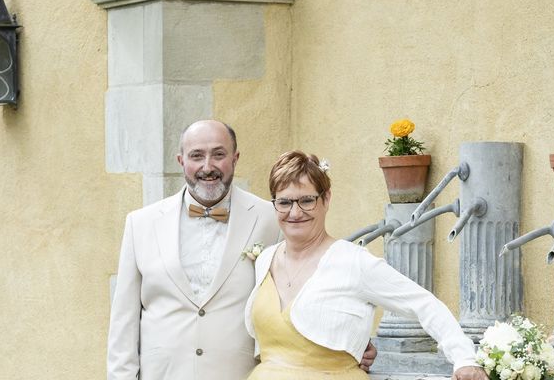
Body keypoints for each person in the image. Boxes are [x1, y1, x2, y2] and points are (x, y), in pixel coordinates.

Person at [106, 121, 376, 380]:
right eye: (197, 155)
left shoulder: (271, 216)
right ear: (181, 161)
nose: (207, 166)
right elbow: (124, 323)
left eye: (218, 154)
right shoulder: (140, 224)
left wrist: (351, 338)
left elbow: (309, 282)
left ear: (235, 159)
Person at [244, 150, 489, 380]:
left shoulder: (353, 261)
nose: (295, 213)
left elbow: (423, 304)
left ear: (326, 198)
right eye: (285, 202)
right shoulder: (265, 259)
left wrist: (465, 359)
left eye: (307, 200)